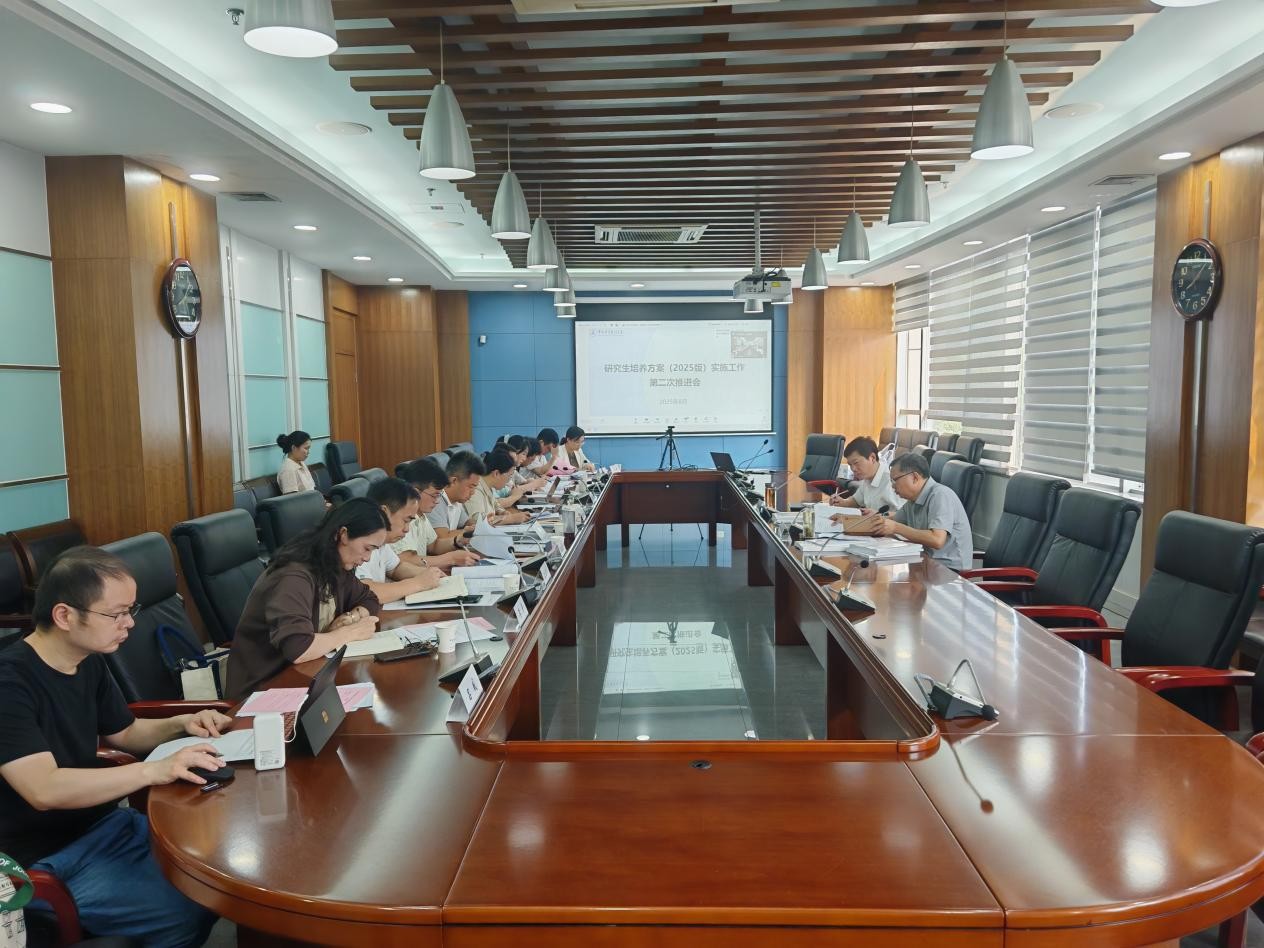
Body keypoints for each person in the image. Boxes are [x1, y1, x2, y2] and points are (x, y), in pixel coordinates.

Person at [0, 547, 227, 948]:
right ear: (65, 615)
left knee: (218, 871)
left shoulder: (86, 658)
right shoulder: (9, 683)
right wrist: (153, 770)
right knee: (183, 910)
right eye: (117, 614)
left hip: (103, 824)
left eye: (130, 610)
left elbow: (126, 733)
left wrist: (182, 723)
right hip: (43, 859)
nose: (130, 623)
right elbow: (43, 789)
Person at [226, 498, 386, 699]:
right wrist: (349, 632)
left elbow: (369, 598)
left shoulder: (334, 564)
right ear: (344, 535)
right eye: (367, 548)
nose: (368, 558)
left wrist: (352, 617)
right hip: (263, 692)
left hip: (307, 677)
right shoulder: (294, 575)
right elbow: (298, 648)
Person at [872, 453, 973, 571]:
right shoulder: (913, 500)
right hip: (926, 563)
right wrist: (873, 520)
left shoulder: (940, 495)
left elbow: (937, 540)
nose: (893, 486)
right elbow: (893, 520)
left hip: (950, 571)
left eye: (895, 480)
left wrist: (896, 528)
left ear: (915, 477)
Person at [356, 478, 445, 604]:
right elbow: (366, 592)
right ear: (384, 513)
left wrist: (430, 575)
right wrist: (418, 583)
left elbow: (396, 568)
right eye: (406, 520)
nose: (407, 529)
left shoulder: (382, 541)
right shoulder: (358, 540)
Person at [394, 459, 483, 570]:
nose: (437, 501)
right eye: (434, 495)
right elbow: (406, 560)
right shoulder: (401, 517)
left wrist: (457, 541)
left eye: (439, 495)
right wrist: (451, 559)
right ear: (416, 493)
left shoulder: (421, 514)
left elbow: (433, 545)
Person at [829, 436, 905, 519]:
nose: (853, 469)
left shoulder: (892, 481)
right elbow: (856, 501)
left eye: (856, 463)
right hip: (870, 524)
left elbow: (906, 516)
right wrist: (842, 502)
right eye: (850, 465)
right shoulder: (867, 477)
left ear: (872, 458)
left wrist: (880, 515)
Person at [425, 451, 486, 544]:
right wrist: (473, 530)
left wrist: (484, 524)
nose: (473, 492)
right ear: (454, 481)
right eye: (471, 486)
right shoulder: (434, 500)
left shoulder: (457, 500)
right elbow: (443, 538)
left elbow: (467, 522)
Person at [465, 450, 529, 525]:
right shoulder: (475, 489)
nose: (509, 480)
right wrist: (511, 519)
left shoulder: (488, 486)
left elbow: (496, 504)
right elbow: (477, 521)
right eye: (509, 475)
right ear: (496, 473)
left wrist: (502, 512)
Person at [276, 429, 316, 494]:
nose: (308, 452)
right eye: (306, 448)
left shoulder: (301, 463)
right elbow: (292, 498)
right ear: (294, 448)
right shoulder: (288, 470)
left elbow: (311, 489)